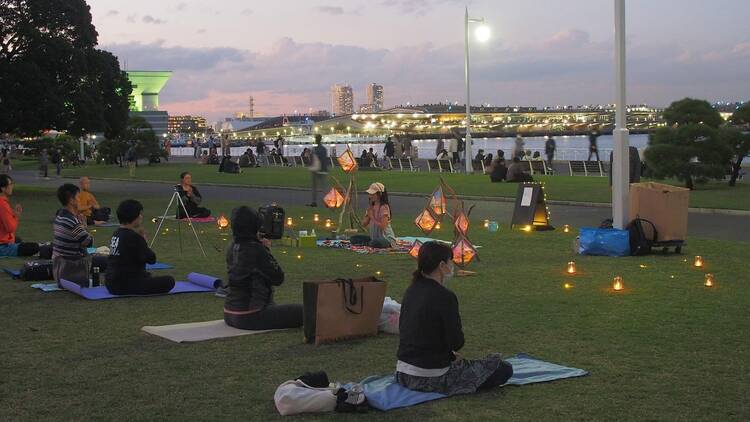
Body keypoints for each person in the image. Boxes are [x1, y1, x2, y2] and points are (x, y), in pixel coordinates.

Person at [396, 241, 513, 396]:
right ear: (442, 266)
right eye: (450, 261)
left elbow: (415, 333)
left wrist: (449, 355)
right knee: (504, 369)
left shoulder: (411, 290)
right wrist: (451, 355)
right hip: (431, 377)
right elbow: (456, 342)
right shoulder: (445, 297)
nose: (452, 265)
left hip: (403, 374)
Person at [224, 206, 303, 330]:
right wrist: (266, 250)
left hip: (229, 313)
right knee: (306, 311)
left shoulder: (232, 246)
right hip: (251, 316)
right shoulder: (256, 249)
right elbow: (278, 278)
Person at [106, 199, 175, 295]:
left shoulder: (117, 233)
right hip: (125, 285)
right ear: (135, 217)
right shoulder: (133, 237)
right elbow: (151, 259)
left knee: (147, 276)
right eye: (140, 214)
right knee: (169, 281)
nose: (141, 217)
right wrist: (144, 241)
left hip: (111, 283)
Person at [52, 184, 94, 287]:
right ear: (71, 200)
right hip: (70, 269)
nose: (80, 200)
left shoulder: (60, 216)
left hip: (59, 268)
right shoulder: (71, 221)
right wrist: (84, 226)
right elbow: (89, 242)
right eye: (78, 197)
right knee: (102, 260)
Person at [0, 175, 39, 257]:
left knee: (18, 240)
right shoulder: (2, 204)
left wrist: (12, 214)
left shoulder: (3, 202)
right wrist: (16, 216)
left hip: (4, 240)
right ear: (3, 188)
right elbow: (10, 228)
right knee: (33, 247)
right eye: (10, 184)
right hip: (3, 246)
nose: (12, 186)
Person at [361, 182, 397, 249]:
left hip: (386, 239)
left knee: (375, 242)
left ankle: (368, 244)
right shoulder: (371, 206)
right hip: (374, 237)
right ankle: (368, 243)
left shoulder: (384, 207)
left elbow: (383, 227)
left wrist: (372, 217)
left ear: (379, 194)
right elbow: (363, 224)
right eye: (369, 194)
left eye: (372, 194)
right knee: (354, 239)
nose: (370, 196)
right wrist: (368, 215)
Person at [308, 134, 328, 207]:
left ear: (316, 140)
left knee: (314, 187)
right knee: (324, 188)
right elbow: (325, 160)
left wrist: (311, 167)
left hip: (316, 170)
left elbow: (312, 160)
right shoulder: (324, 149)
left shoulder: (314, 149)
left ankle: (314, 202)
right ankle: (328, 202)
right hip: (323, 170)